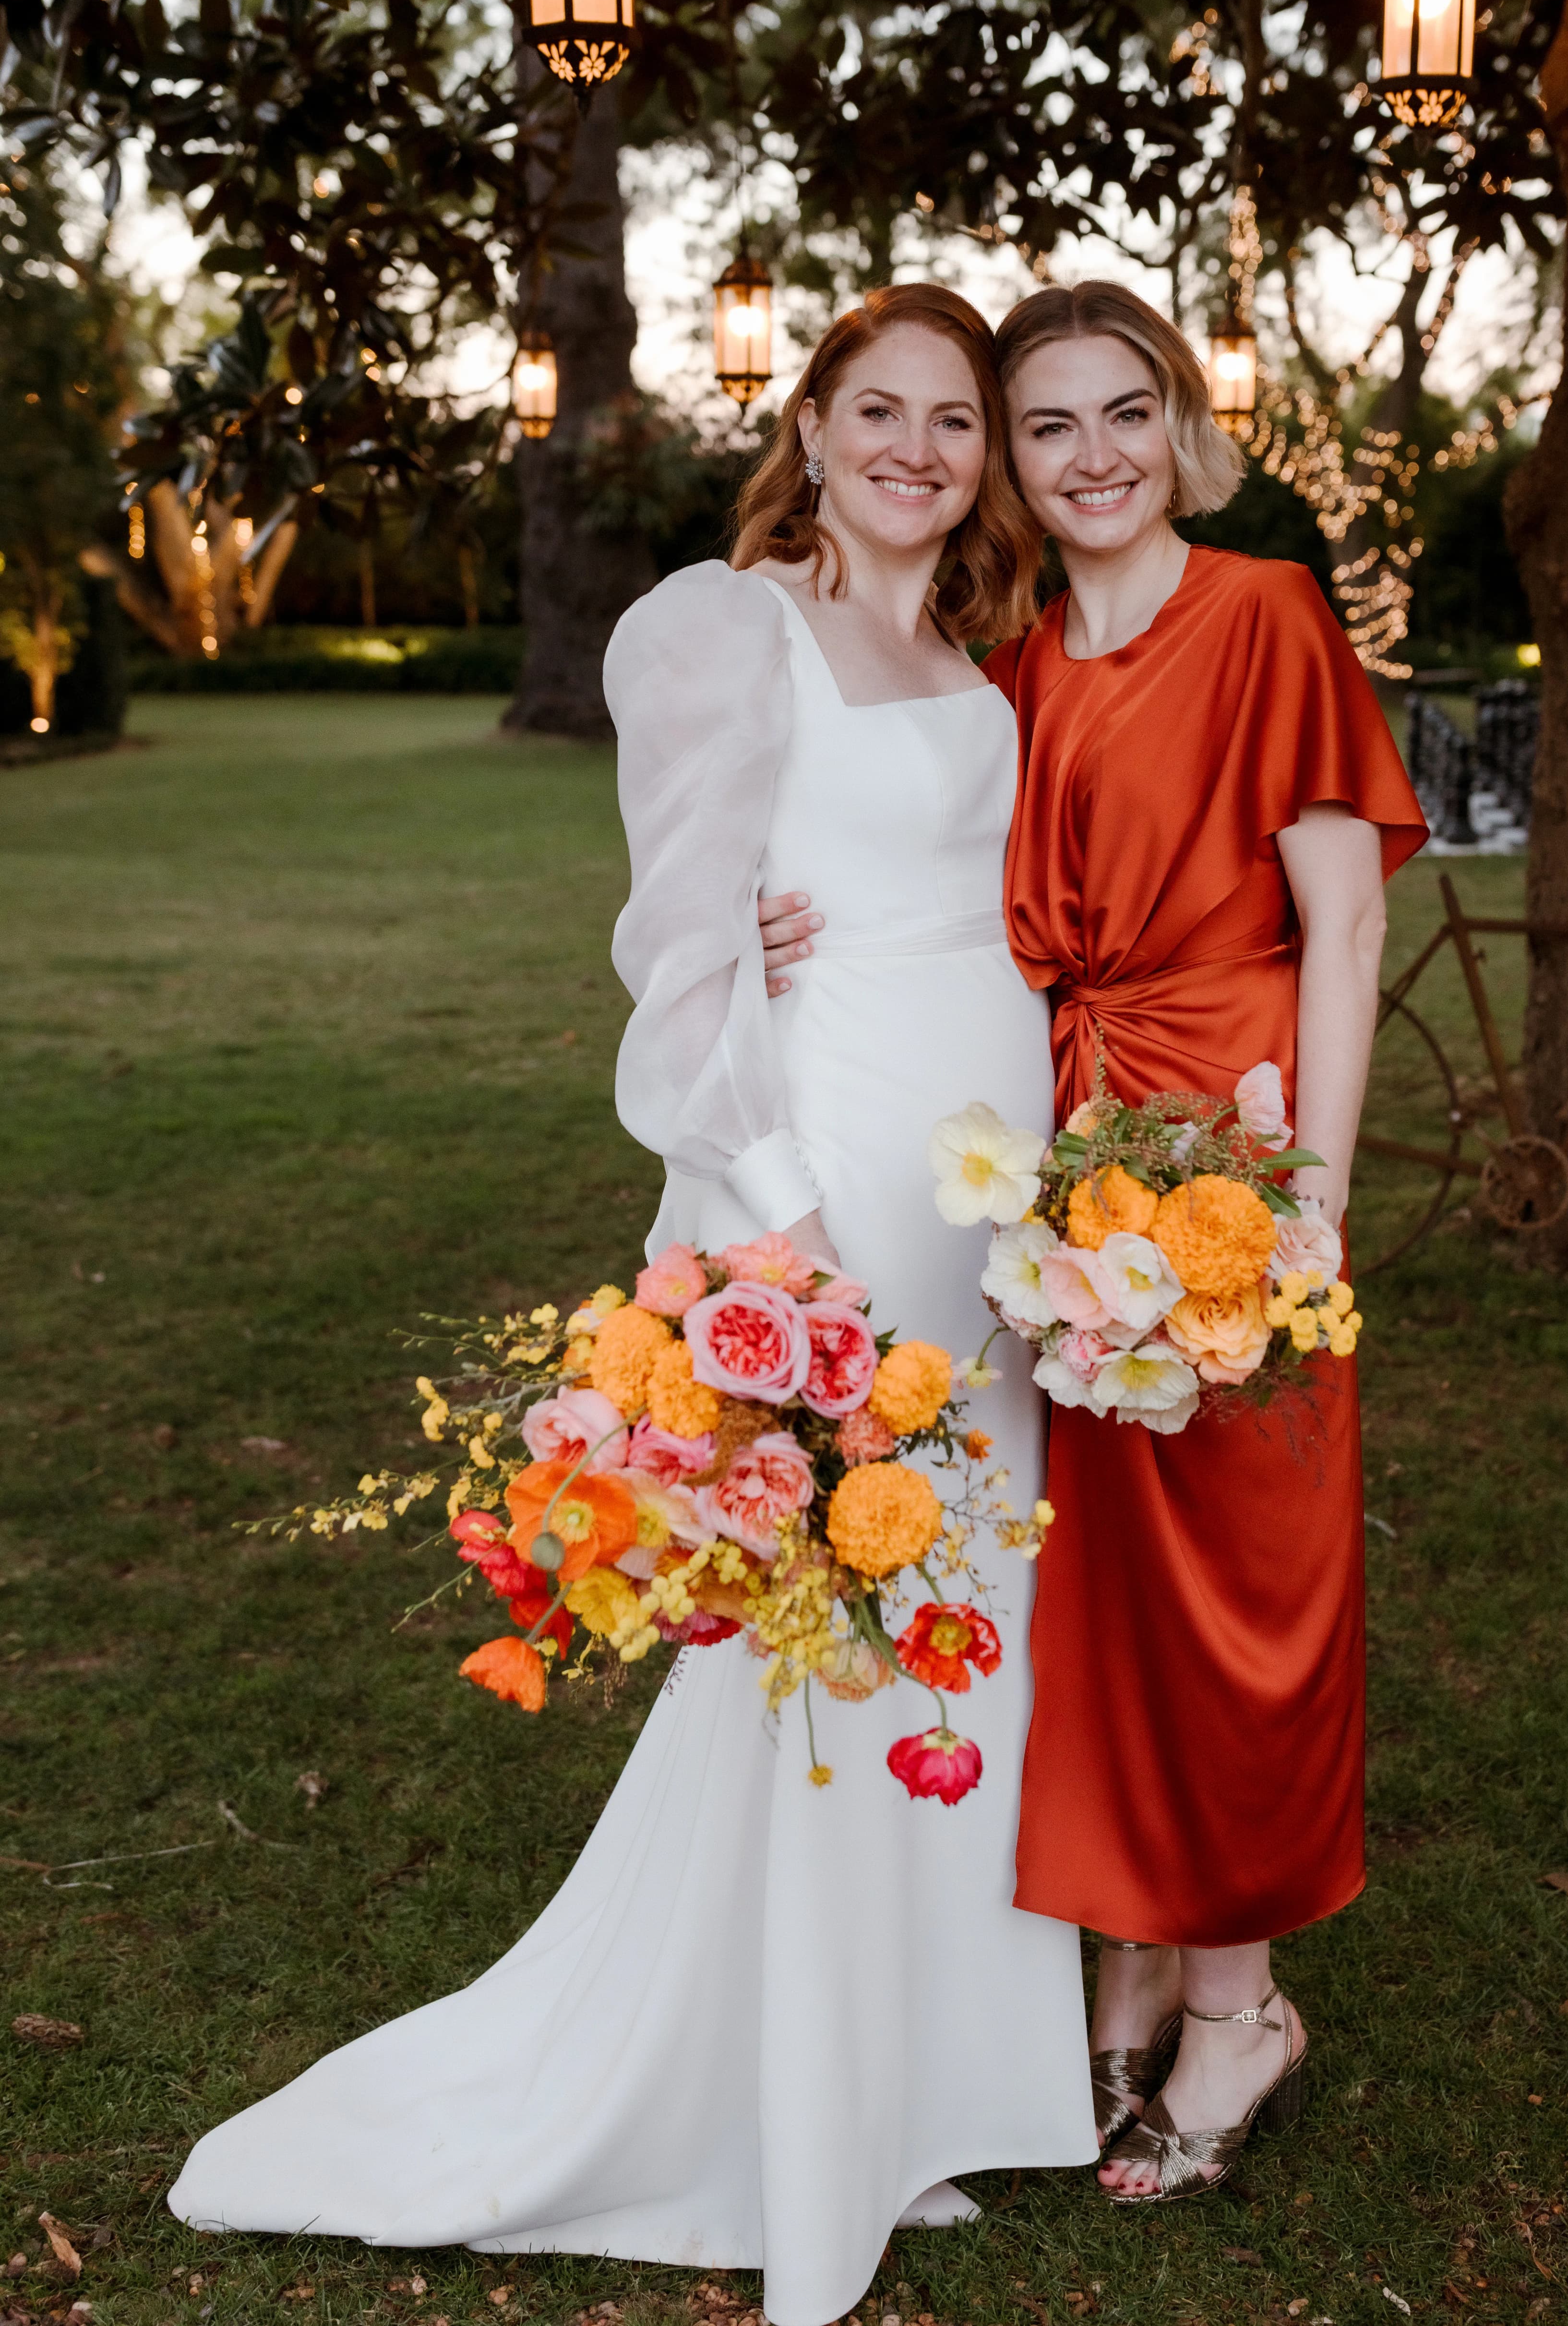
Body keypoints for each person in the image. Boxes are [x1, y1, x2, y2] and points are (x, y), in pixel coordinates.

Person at [168, 284, 1093, 2323]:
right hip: (837, 1176)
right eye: (879, 410)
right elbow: (681, 946)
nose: (918, 450)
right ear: (812, 427)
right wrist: (791, 1226)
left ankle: (922, 2089)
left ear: (986, 462)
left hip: (987, 1192)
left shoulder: (981, 656)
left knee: (964, 1614)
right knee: (822, 1625)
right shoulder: (724, 626)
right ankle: (785, 2106)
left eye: (955, 420)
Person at [761, 279, 1424, 2207]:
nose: (1094, 455)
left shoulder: (1266, 613)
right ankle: (1130, 1952)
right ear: (1014, 468)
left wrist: (1311, 1194)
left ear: (1179, 421)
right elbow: (905, 869)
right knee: (1106, 1589)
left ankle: (1240, 2003)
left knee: (1245, 1583)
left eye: (1124, 410)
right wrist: (763, 925)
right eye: (1045, 425)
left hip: (1236, 1137)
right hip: (1059, 1158)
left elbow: (1347, 924)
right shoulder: (1016, 665)